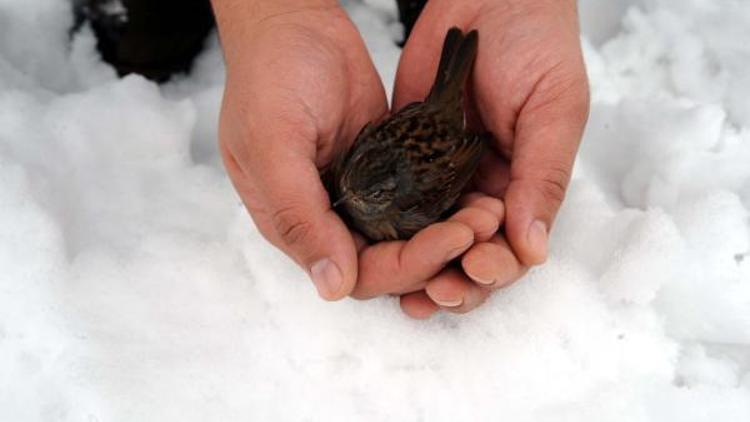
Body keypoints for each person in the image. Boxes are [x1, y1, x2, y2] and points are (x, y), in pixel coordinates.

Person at [78, 0, 590, 319]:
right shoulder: (356, 167)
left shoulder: (415, 200)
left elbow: (462, 160)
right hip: (430, 112)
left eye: (365, 196)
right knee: (151, 33)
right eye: (352, 187)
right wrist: (268, 15)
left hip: (445, 123)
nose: (347, 197)